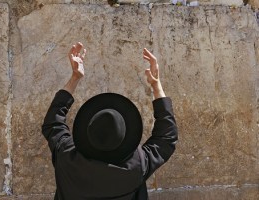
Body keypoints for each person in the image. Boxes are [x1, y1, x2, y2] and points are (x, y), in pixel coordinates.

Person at [42, 42, 178, 200]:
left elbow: (53, 122)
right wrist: (156, 85)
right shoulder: (136, 165)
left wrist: (75, 78)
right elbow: (167, 137)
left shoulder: (67, 156)